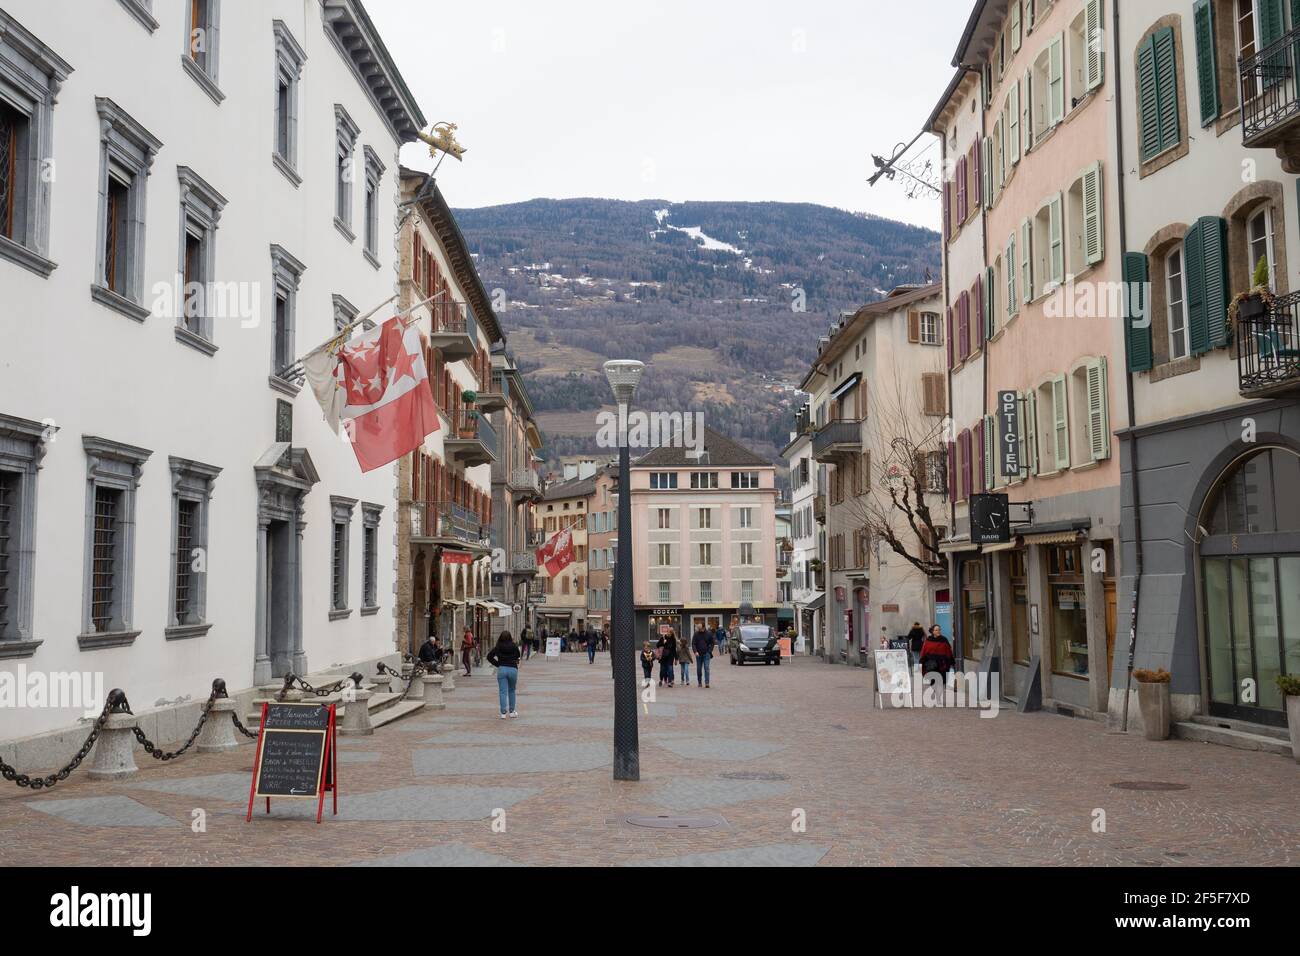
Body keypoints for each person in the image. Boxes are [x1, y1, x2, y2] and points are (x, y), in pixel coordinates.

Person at [486, 631, 521, 718]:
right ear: (510, 637)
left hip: (502, 669)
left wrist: (498, 664)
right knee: (512, 690)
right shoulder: (514, 646)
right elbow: (518, 656)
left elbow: (489, 656)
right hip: (513, 669)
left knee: (502, 692)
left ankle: (503, 713)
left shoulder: (498, 646)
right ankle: (512, 712)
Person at [919, 624, 955, 702]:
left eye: (939, 629)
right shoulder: (928, 640)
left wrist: (951, 660)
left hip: (942, 664)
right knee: (934, 681)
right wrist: (922, 660)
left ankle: (938, 697)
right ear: (932, 631)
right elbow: (924, 651)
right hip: (931, 665)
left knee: (941, 681)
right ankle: (936, 693)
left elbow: (948, 651)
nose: (938, 631)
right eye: (936, 630)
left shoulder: (944, 640)